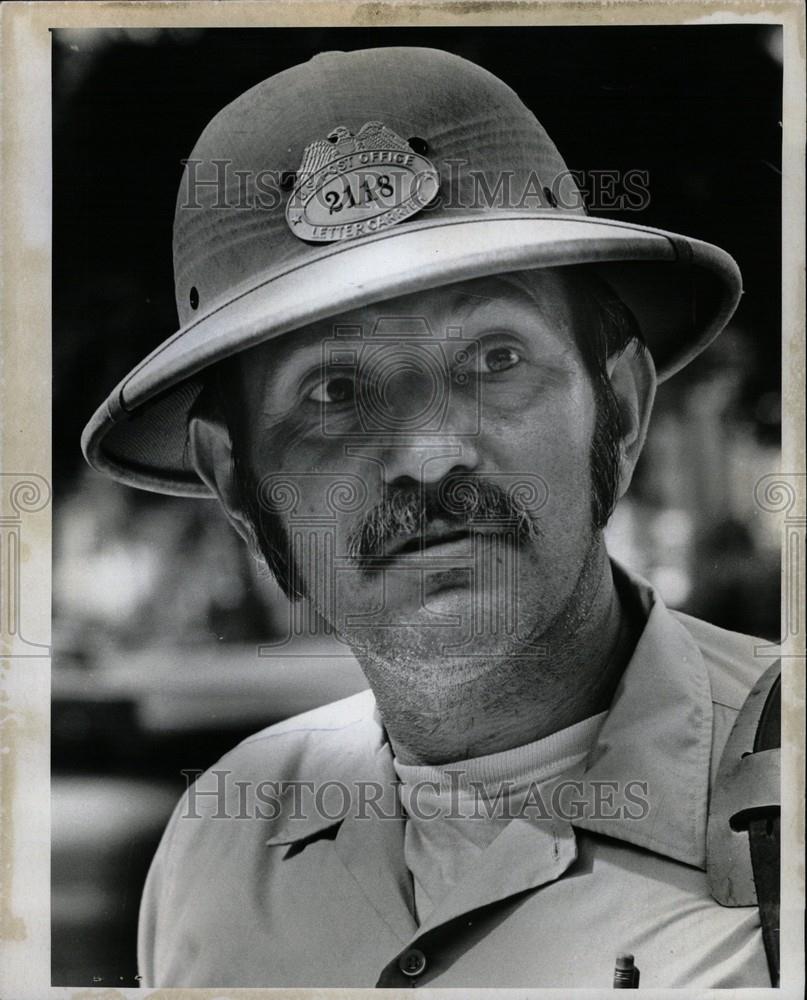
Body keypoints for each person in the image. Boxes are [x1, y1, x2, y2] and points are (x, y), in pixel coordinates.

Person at [81, 47, 772, 988]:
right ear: (240, 487)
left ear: (618, 408)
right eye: (332, 391)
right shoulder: (220, 843)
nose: (427, 452)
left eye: (495, 359)